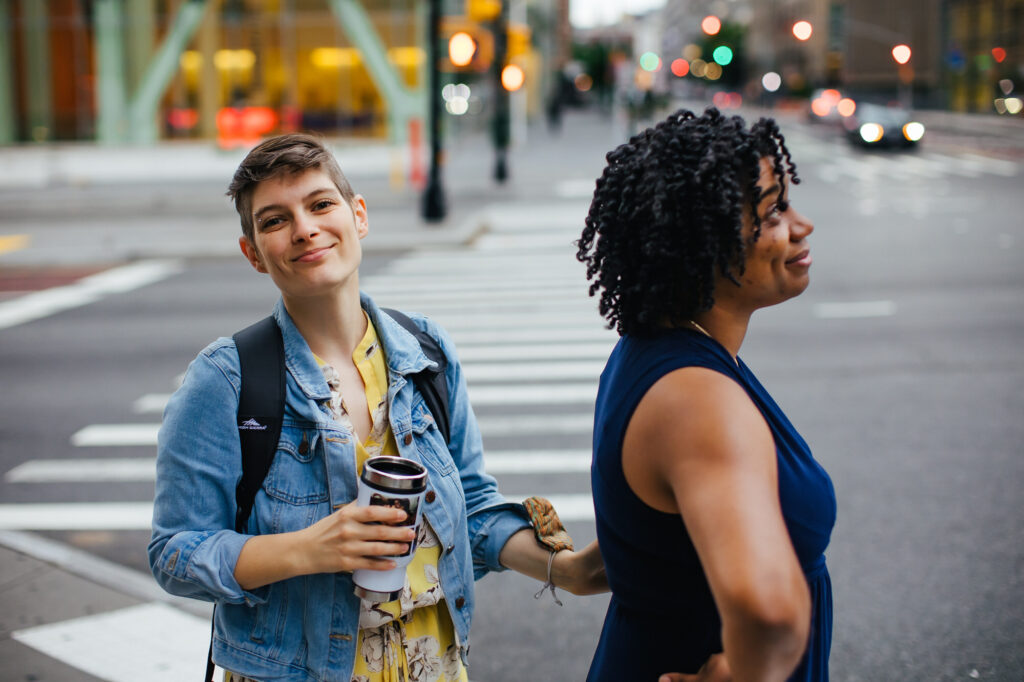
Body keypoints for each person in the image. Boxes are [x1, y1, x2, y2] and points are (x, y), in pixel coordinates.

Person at [148, 133, 606, 682]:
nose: (305, 229)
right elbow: (175, 553)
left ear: (357, 215)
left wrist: (569, 570)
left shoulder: (426, 352)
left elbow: (474, 507)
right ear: (253, 254)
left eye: (321, 204)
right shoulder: (225, 378)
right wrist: (311, 549)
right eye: (274, 220)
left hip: (434, 665)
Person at [576, 108, 837, 682]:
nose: (802, 225)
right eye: (773, 211)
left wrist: (576, 567)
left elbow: (660, 539)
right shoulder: (696, 399)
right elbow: (771, 616)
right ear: (700, 241)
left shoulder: (652, 353)